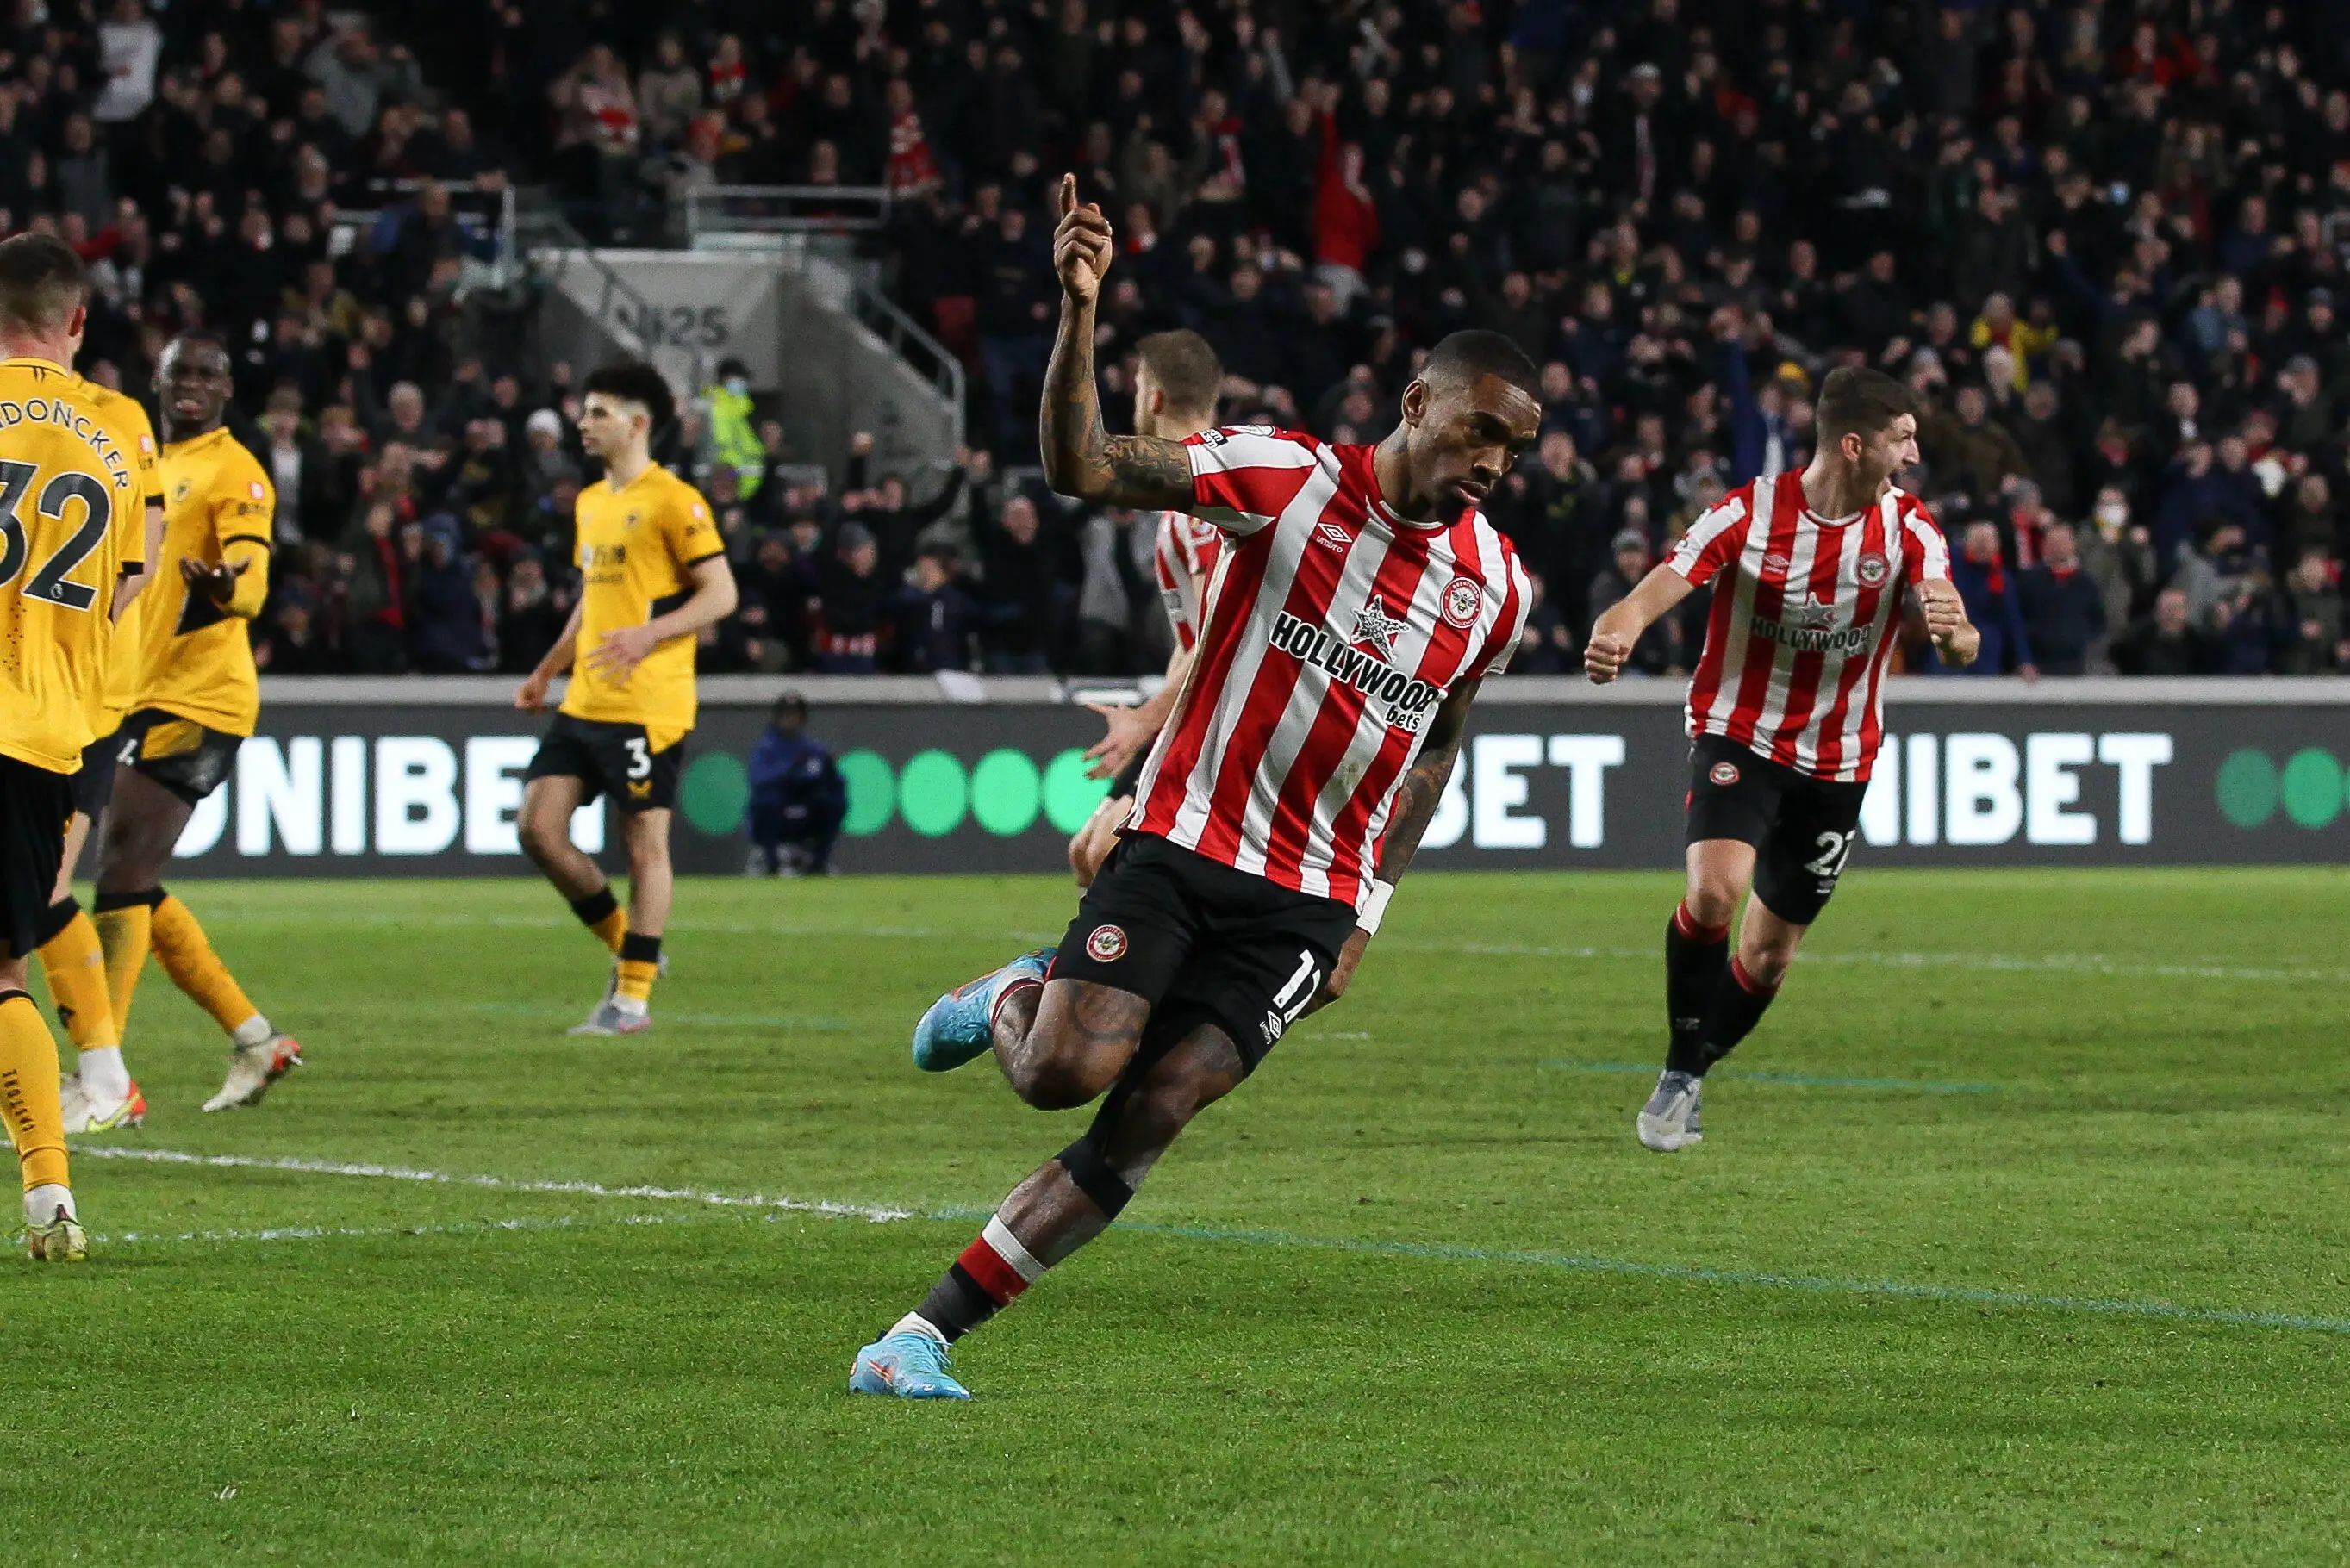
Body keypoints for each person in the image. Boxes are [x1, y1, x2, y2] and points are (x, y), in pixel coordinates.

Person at [849, 176, 1537, 1400]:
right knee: (1059, 1072)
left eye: (1513, 448)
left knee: (1157, 1105)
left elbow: (1438, 744)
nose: (1491, 461)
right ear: (1416, 403)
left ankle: (917, 1338)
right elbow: (1081, 464)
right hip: (1183, 841)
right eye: (1478, 430)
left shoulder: (1498, 590)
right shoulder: (1285, 479)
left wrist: (1369, 911)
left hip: (1308, 899)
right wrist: (1079, 311)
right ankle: (1010, 991)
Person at [1584, 365, 1979, 1154]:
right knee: (1713, 894)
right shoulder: (1746, 513)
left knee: (1767, 956)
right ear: (1855, 445)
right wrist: (1616, 630)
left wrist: (1956, 634)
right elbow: (1654, 589)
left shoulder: (1910, 528)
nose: (1912, 455)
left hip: (1838, 760)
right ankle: (1679, 1072)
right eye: (1902, 439)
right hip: (1741, 733)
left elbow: (1959, 637)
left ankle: (1691, 1071)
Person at [86, 331, 304, 1121]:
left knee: (120, 873)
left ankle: (104, 1079)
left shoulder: (233, 470)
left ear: (227, 390)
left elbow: (253, 578)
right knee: (133, 881)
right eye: (182, 371)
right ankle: (256, 1039)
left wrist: (227, 586)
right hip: (138, 694)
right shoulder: (145, 463)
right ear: (159, 377)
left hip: (200, 700)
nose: (194, 383)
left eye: (210, 374)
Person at [0, 233, 159, 1259]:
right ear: (78, 321)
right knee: (6, 968)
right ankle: (48, 1192)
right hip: (46, 731)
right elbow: (130, 579)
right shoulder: (113, 429)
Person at [513, 361, 737, 1036]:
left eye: (598, 413)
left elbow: (721, 594)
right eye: (585, 412)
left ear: (637, 424)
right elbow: (593, 599)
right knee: (537, 829)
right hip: (585, 699)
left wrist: (649, 635)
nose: (584, 424)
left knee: (643, 846)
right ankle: (631, 947)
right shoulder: (590, 502)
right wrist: (547, 669)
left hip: (648, 705)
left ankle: (630, 1001)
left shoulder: (674, 500)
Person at [29, 306, 165, 1135]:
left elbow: (143, 551)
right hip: (28, 694)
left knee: (44, 889)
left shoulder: (116, 419)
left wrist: (70, 631)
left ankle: (107, 1076)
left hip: (79, 697)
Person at [1068, 327, 1225, 889]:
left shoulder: (1203, 494)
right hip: (1188, 710)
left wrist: (1145, 720)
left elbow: (1219, 636)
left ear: (1152, 397)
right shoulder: (1186, 488)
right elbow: (1194, 639)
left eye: (1137, 385)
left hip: (1220, 720)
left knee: (1107, 852)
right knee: (1087, 852)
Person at [745, 694, 846, 875]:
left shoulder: (814, 750)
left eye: (795, 715)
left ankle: (819, 862)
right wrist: (789, 770)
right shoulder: (766, 749)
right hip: (776, 811)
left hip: (806, 809)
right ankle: (771, 861)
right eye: (786, 714)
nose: (790, 719)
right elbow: (759, 781)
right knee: (767, 803)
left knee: (832, 803)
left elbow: (834, 781)